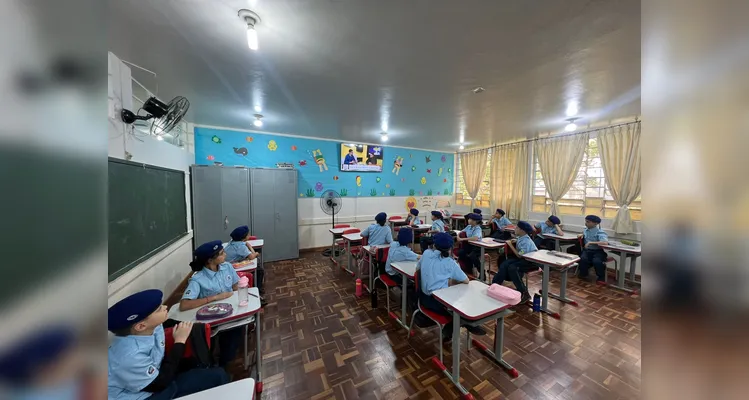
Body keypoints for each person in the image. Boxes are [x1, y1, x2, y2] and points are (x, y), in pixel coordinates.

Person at [108, 290, 229, 400]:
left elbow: (168, 326)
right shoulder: (129, 357)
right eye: (159, 309)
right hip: (144, 394)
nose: (165, 307)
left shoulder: (151, 327)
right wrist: (179, 342)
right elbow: (159, 384)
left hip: (157, 376)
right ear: (141, 326)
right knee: (215, 377)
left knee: (212, 372)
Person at [179, 241, 242, 367]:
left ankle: (225, 362)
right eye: (221, 253)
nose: (225, 254)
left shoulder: (227, 267)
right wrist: (215, 298)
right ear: (210, 260)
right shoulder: (198, 279)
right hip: (211, 317)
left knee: (234, 332)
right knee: (209, 341)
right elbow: (184, 305)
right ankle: (210, 363)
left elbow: (236, 286)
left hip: (231, 312)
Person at [418, 233, 485, 341]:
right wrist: (451, 281)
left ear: (434, 245)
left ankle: (454, 329)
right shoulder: (450, 263)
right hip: (437, 303)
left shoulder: (426, 253)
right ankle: (465, 324)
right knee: (460, 304)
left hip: (423, 298)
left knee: (454, 300)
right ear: (450, 248)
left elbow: (418, 269)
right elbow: (466, 281)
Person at [492, 221, 538, 304]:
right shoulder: (521, 237)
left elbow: (519, 255)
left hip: (531, 262)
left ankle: (524, 292)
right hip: (523, 259)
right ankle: (495, 285)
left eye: (517, 228)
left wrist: (510, 244)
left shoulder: (526, 241)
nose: (515, 229)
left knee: (512, 268)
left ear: (522, 231)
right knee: (505, 264)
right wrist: (514, 240)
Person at [224, 225, 265, 304]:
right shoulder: (240, 246)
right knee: (259, 271)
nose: (250, 235)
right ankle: (257, 290)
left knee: (256, 267)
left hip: (228, 264)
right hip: (232, 267)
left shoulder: (232, 242)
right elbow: (252, 257)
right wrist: (255, 252)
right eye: (248, 234)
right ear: (243, 238)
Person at [577, 214, 609, 283]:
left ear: (595, 223)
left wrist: (591, 243)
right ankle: (584, 274)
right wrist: (581, 234)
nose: (586, 223)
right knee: (582, 258)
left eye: (588, 222)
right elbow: (584, 233)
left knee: (597, 261)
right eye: (586, 221)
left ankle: (601, 277)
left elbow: (605, 242)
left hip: (597, 251)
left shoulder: (600, 232)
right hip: (587, 251)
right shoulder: (586, 230)